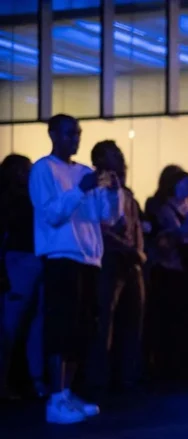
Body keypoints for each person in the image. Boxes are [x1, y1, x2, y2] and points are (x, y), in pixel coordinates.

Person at [30, 114, 121, 423]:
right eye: (69, 133)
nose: (75, 139)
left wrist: (113, 192)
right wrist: (80, 190)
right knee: (61, 328)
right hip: (60, 256)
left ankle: (67, 393)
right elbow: (51, 214)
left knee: (82, 330)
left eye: (78, 133)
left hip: (89, 258)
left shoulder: (84, 172)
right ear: (53, 134)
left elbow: (108, 218)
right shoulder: (43, 169)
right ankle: (55, 398)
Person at [85, 141, 145, 393]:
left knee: (133, 318)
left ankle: (127, 375)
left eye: (119, 153)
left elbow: (135, 225)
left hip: (131, 262)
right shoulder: (92, 191)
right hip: (107, 260)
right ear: (99, 160)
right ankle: (98, 378)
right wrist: (128, 248)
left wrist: (139, 252)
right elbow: (96, 227)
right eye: (113, 154)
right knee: (104, 321)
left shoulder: (126, 193)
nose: (119, 157)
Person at [150, 169, 188, 379]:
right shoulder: (165, 207)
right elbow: (178, 233)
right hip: (172, 268)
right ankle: (170, 364)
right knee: (173, 315)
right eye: (184, 184)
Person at [0, 154, 45, 398]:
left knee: (24, 324)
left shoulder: (23, 199)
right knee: (14, 325)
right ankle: (13, 381)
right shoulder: (17, 201)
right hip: (20, 260)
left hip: (27, 259)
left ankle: (23, 380)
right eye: (27, 170)